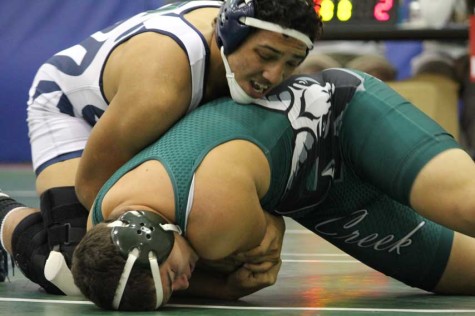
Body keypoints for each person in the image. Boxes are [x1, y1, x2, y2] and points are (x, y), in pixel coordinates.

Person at [71, 68, 475, 310]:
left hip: (340, 115)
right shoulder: (102, 221)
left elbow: (269, 240)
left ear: (151, 231)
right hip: (316, 192)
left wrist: (226, 288)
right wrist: (222, 284)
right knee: (466, 275)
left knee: (466, 206)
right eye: (171, 291)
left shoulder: (214, 220)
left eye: (173, 274)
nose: (182, 285)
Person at [0, 0, 321, 292]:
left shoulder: (248, 36)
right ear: (230, 35)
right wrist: (200, 258)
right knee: (83, 269)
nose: (274, 74)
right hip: (72, 106)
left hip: (139, 113)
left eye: (291, 63)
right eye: (266, 56)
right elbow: (93, 190)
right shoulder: (161, 88)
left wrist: (267, 225)